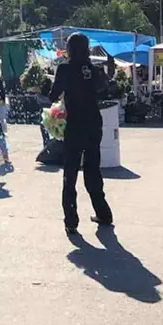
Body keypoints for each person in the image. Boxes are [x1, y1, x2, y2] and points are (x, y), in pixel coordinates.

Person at [48, 32, 113, 236]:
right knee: (93, 169)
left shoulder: (65, 69)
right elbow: (104, 90)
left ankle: (71, 221)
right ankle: (103, 213)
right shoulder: (95, 69)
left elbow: (54, 94)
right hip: (94, 123)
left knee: (71, 173)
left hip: (74, 124)